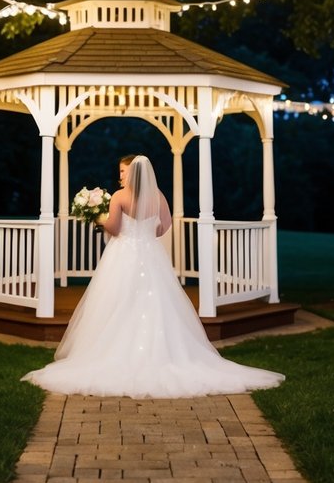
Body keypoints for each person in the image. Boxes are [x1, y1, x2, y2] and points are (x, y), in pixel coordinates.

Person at [21, 154, 285, 398]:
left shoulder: (119, 197)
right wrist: (145, 233)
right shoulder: (157, 196)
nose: (121, 176)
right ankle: (162, 353)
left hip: (123, 255)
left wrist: (98, 220)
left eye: (123, 172)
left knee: (117, 303)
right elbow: (165, 226)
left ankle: (117, 352)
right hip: (151, 254)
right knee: (157, 302)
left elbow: (113, 227)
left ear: (132, 174)